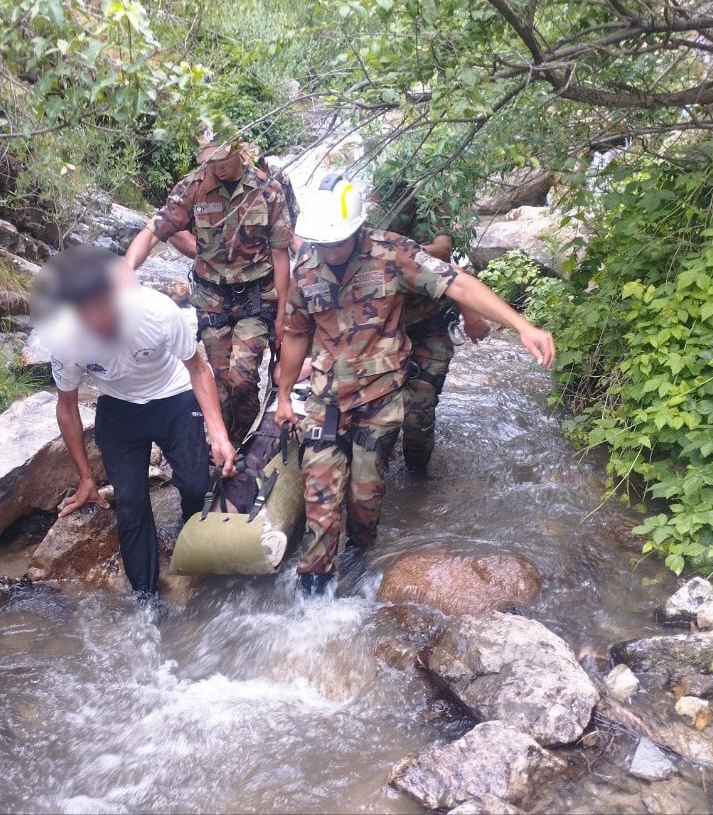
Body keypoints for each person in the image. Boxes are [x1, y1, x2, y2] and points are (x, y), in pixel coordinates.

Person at [274, 175, 556, 595]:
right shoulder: (306, 266)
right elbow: (296, 333)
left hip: (379, 399)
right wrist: (281, 395)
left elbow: (457, 282)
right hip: (326, 401)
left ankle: (359, 555)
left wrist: (521, 325)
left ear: (355, 229)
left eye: (337, 241)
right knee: (320, 501)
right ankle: (313, 591)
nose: (328, 250)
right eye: (322, 241)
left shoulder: (393, 253)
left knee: (365, 498)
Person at [37, 245, 237, 599]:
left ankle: (193, 549)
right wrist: (85, 477)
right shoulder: (65, 340)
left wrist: (219, 435)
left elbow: (198, 369)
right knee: (130, 503)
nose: (98, 319)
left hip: (174, 396)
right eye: (87, 312)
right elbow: (67, 407)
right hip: (119, 406)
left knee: (193, 484)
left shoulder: (158, 312)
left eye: (104, 306)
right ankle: (147, 599)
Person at [125, 126, 293, 445]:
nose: (216, 166)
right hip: (212, 298)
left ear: (237, 150)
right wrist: (126, 270)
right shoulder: (194, 187)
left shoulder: (266, 189)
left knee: (242, 378)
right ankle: (227, 447)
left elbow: (280, 253)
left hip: (256, 297)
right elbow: (154, 230)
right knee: (221, 383)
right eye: (210, 159)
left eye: (222, 158)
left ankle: (242, 440)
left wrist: (284, 312)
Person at [392, 208, 491, 474]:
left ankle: (416, 476)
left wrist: (473, 320)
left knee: (417, 415)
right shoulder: (357, 244)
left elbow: (451, 265)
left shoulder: (428, 210)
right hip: (385, 336)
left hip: (428, 331)